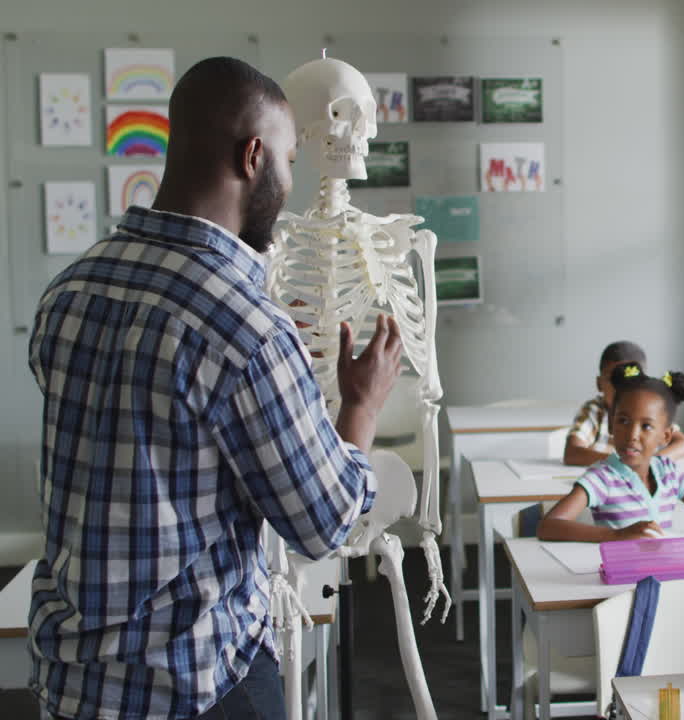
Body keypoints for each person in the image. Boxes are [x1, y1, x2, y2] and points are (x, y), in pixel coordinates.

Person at [26, 57, 402, 719]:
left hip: (75, 685)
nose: (290, 181)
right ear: (252, 156)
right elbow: (326, 523)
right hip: (195, 686)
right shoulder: (245, 327)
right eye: (288, 159)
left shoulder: (72, 288)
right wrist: (362, 404)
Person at [538, 364, 684, 541]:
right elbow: (549, 526)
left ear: (665, 436)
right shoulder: (603, 477)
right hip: (619, 578)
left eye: (646, 426)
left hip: (665, 574)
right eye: (623, 421)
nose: (632, 435)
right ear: (611, 425)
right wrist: (618, 535)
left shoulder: (669, 473)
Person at [563, 341, 684, 465]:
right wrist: (625, 462)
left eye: (631, 381)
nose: (620, 388)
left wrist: (649, 463)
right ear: (599, 383)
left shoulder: (653, 411)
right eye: (613, 380)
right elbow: (572, 453)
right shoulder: (595, 411)